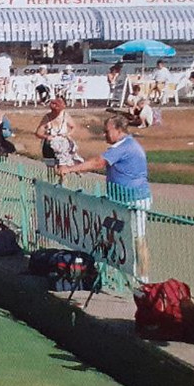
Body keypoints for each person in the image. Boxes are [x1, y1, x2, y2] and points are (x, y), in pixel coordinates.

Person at [57, 113, 152, 279]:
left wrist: (71, 169)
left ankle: (141, 277)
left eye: (107, 131)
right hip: (120, 199)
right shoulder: (120, 146)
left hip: (134, 199)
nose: (104, 134)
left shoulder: (125, 146)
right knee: (114, 235)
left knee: (137, 238)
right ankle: (117, 271)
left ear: (118, 130)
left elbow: (98, 162)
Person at [35, 97, 81, 168]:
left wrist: (68, 134)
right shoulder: (47, 118)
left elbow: (73, 127)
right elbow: (38, 132)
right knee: (51, 168)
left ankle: (64, 176)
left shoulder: (65, 115)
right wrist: (47, 137)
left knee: (63, 165)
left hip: (63, 145)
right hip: (50, 146)